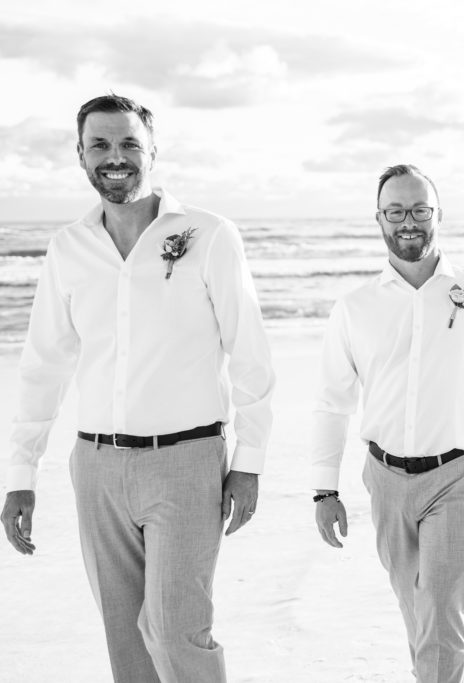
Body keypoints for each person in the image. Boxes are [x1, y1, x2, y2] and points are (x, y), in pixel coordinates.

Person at [0, 94, 275, 683]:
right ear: (80, 155)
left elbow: (250, 354)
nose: (115, 157)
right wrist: (21, 475)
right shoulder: (67, 247)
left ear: (153, 151)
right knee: (126, 644)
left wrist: (248, 463)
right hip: (96, 467)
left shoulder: (209, 234)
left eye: (129, 143)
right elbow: (44, 364)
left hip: (188, 462)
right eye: (99, 144)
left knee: (179, 633)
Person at [311, 164, 464, 683]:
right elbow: (333, 403)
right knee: (416, 610)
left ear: (438, 214)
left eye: (420, 210)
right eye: (395, 211)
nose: (409, 222)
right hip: (385, 481)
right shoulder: (354, 308)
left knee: (441, 614)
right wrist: (323, 491)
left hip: (458, 475)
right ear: (378, 218)